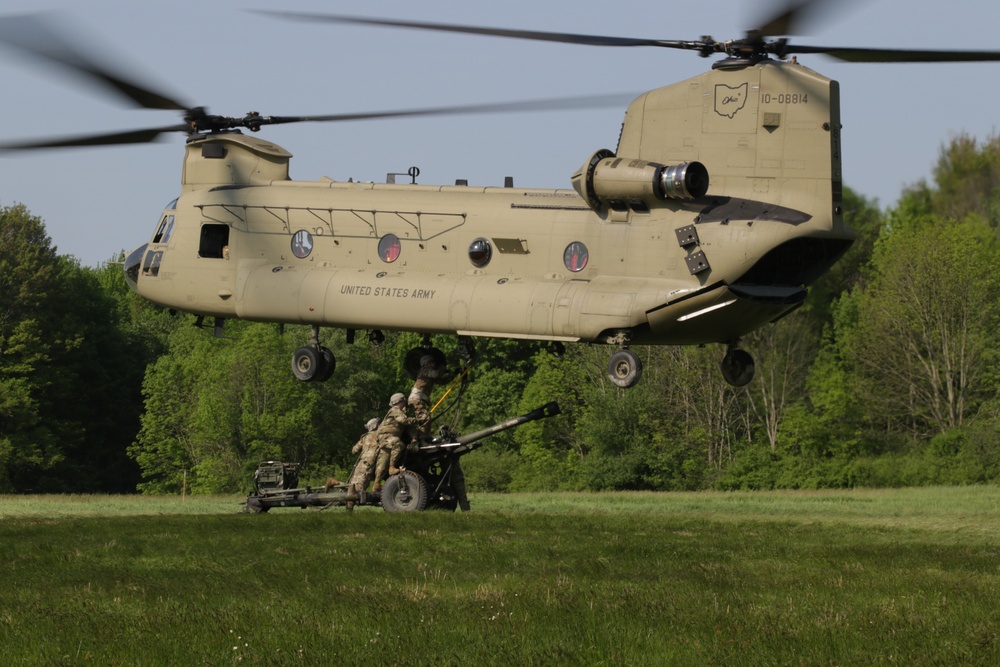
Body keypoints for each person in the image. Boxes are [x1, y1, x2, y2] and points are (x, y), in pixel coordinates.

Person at [372, 393, 416, 492]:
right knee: (398, 444)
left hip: (385, 438)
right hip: (388, 437)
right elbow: (403, 420)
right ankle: (391, 468)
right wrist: (416, 419)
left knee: (383, 461)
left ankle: (377, 484)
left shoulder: (396, 411)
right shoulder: (395, 410)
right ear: (400, 401)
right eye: (403, 401)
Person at [408, 354, 452, 438]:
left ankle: (426, 437)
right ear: (425, 363)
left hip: (420, 399)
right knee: (425, 419)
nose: (433, 364)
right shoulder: (424, 370)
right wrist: (442, 367)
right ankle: (422, 439)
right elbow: (436, 374)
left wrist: (454, 374)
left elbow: (443, 381)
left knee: (426, 419)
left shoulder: (430, 374)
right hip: (416, 398)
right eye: (431, 362)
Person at [344, 417, 380, 510]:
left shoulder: (364, 437)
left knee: (353, 485)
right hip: (369, 464)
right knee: (357, 488)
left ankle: (349, 508)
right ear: (376, 426)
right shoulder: (379, 436)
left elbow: (354, 450)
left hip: (361, 463)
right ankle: (349, 507)